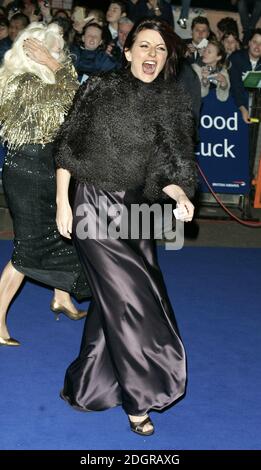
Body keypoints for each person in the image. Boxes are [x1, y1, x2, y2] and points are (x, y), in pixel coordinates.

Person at [54, 18, 197, 436]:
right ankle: (140, 399)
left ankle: (90, 385)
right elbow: (68, 145)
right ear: (128, 50)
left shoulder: (171, 101)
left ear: (166, 58)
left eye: (160, 49)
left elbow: (168, 165)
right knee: (135, 299)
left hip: (137, 212)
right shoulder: (99, 88)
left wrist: (181, 195)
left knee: (112, 301)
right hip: (92, 204)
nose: (152, 54)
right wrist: (63, 203)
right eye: (145, 46)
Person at [0, 22, 91, 347]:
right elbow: (74, 95)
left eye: (59, 51)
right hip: (27, 175)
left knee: (63, 236)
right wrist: (58, 67)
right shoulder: (22, 82)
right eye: (53, 51)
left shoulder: (38, 80)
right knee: (27, 249)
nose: (59, 56)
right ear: (33, 52)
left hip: (46, 169)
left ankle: (62, 298)